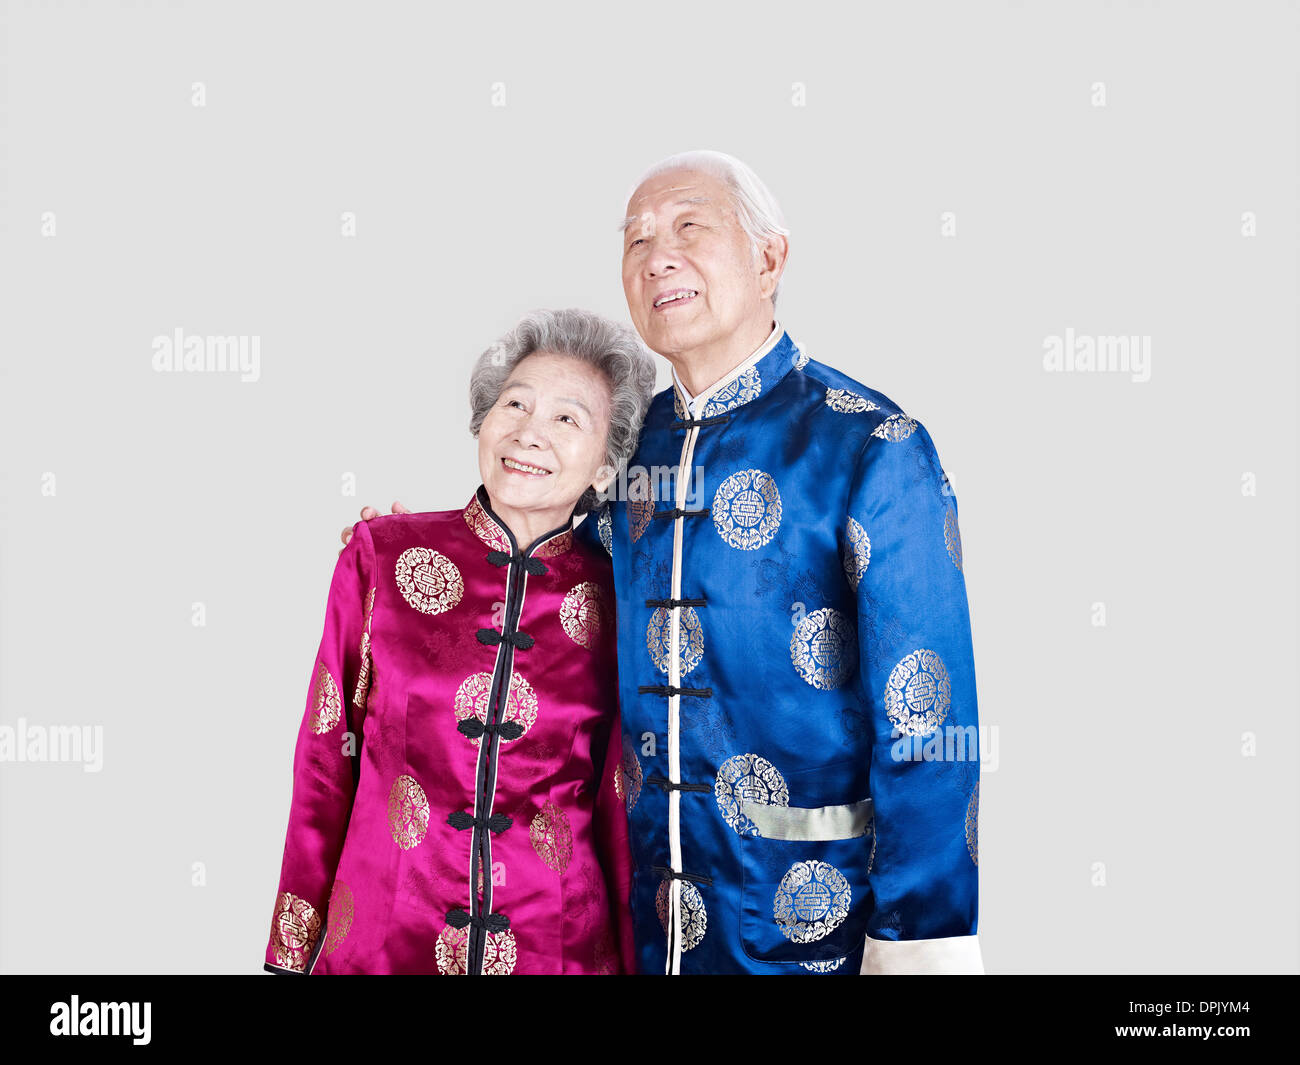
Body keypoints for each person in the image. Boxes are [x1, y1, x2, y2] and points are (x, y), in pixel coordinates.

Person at [348, 150, 984, 975]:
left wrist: (916, 947)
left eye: (690, 226)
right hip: (638, 929)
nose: (658, 256)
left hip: (811, 930)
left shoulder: (871, 445)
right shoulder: (621, 445)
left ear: (769, 257)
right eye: (637, 240)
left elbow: (926, 715)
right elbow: (533, 555)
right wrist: (414, 545)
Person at [267, 307, 656, 975]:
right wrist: (290, 953)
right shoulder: (381, 557)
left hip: (557, 948)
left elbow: (624, 806)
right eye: (515, 404)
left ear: (605, 466)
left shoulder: (627, 596)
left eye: (568, 418)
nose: (530, 431)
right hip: (383, 941)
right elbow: (326, 758)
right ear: (483, 421)